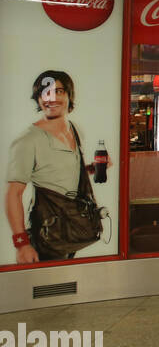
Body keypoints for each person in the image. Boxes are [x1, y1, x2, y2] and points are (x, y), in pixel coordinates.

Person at [6, 70, 96, 264]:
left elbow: (59, 169)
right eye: (44, 92)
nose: (51, 98)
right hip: (48, 236)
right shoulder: (28, 141)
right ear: (38, 99)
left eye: (59, 91)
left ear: (69, 96)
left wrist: (90, 168)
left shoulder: (75, 130)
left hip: (76, 228)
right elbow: (13, 194)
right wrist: (22, 244)